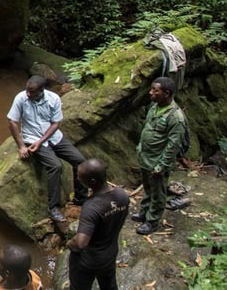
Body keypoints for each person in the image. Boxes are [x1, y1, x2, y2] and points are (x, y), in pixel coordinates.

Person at [7, 75, 87, 223]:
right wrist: (22, 146)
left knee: (80, 161)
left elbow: (56, 123)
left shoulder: (53, 99)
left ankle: (81, 198)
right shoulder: (21, 98)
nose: (29, 94)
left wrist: (41, 141)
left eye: (33, 92)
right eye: (28, 91)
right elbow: (12, 122)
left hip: (53, 136)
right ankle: (53, 208)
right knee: (55, 166)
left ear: (42, 90)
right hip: (31, 137)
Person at [132, 76, 188, 235]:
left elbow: (173, 145)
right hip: (146, 157)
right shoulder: (154, 106)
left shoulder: (175, 117)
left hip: (158, 161)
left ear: (167, 94)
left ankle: (152, 221)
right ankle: (144, 211)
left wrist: (161, 166)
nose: (150, 93)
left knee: (158, 192)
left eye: (155, 91)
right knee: (148, 188)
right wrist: (140, 147)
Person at [67, 158, 129, 290]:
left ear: (92, 182)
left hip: (88, 261)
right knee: (109, 286)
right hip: (109, 254)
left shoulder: (91, 207)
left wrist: (70, 243)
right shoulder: (122, 194)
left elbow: (81, 243)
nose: (77, 178)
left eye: (79, 176)